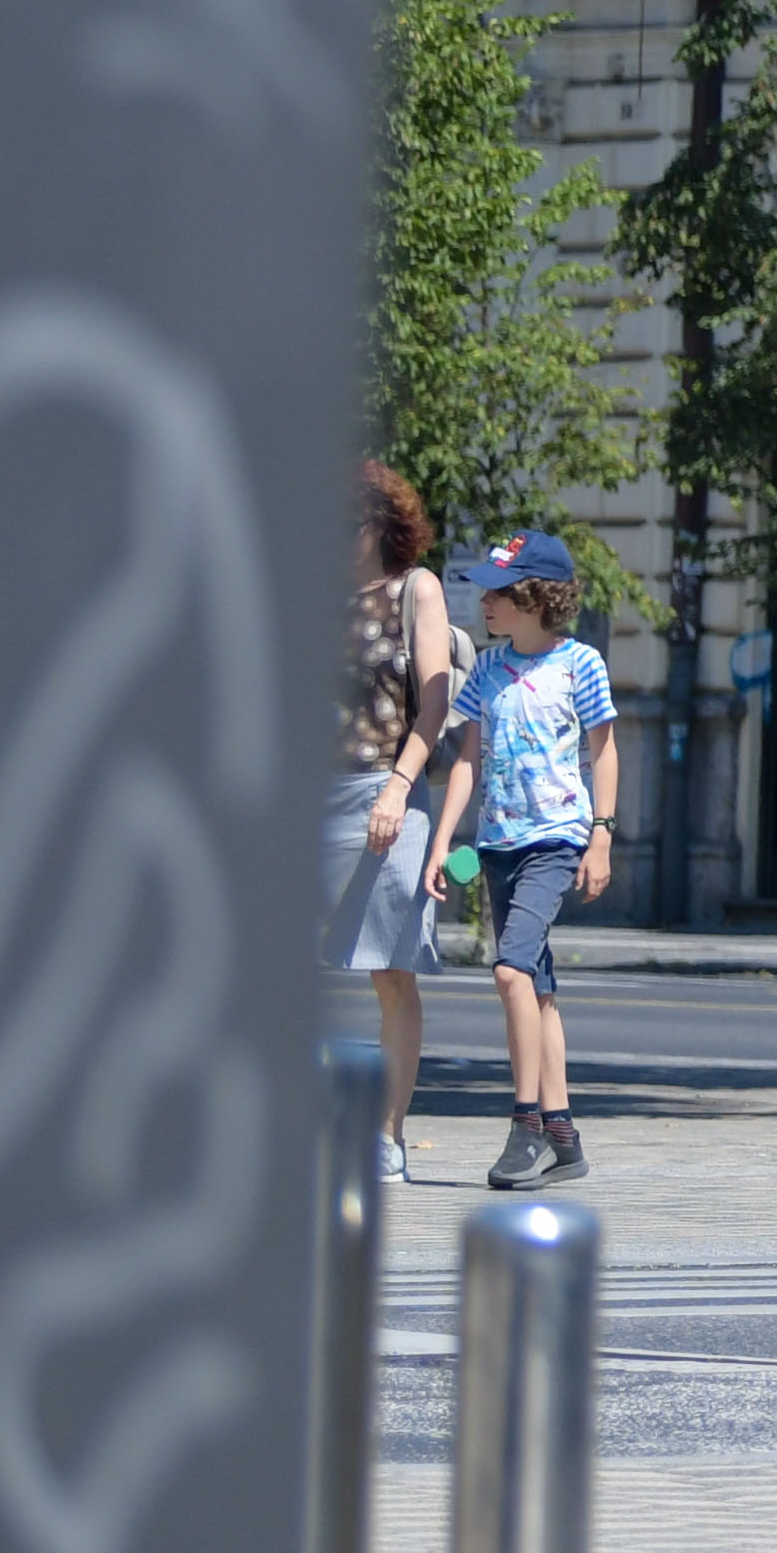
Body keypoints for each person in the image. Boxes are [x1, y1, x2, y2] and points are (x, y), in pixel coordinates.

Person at [444, 537, 621, 1190]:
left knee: (511, 971)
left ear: (537, 598)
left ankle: (526, 1127)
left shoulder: (581, 665)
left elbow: (604, 753)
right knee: (539, 991)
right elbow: (466, 760)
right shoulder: (487, 669)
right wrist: (443, 843)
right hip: (498, 845)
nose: (485, 601)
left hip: (555, 841)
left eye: (499, 592)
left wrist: (600, 835)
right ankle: (565, 1136)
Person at [333, 465, 465, 1171]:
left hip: (386, 792)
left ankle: (385, 1137)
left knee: (390, 974)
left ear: (380, 525)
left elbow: (435, 703)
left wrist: (397, 788)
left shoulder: (416, 589)